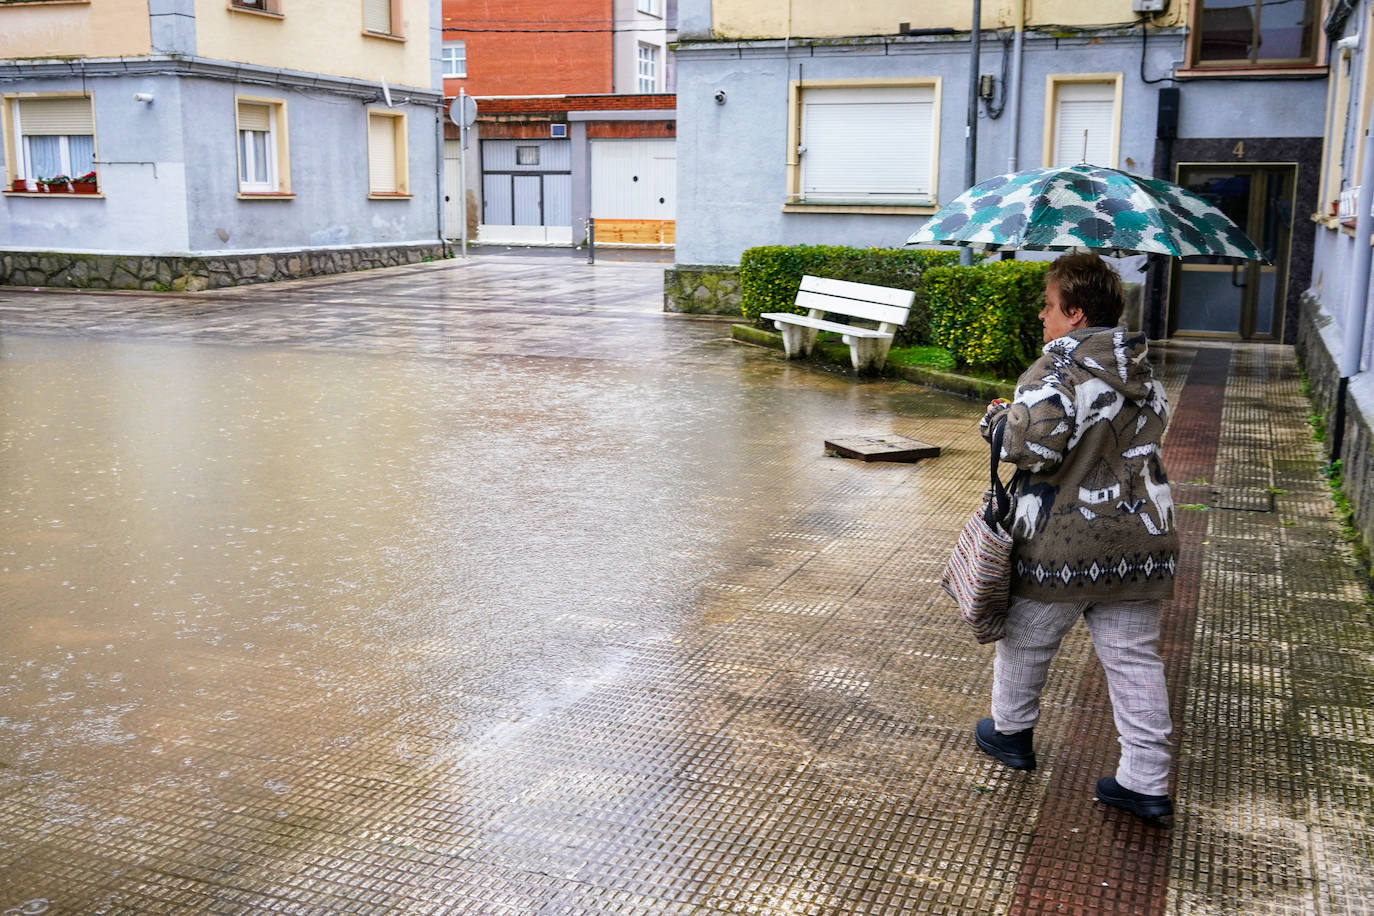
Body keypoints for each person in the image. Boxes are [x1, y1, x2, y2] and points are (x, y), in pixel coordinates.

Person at [973, 253, 1179, 827]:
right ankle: (1146, 782)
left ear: (1076, 313)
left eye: (1049, 304)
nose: (1042, 315)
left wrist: (999, 421)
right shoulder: (1143, 372)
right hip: (1141, 539)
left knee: (1025, 639)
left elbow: (1034, 449)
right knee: (1135, 661)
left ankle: (1010, 734)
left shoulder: (1053, 371)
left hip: (1062, 542)